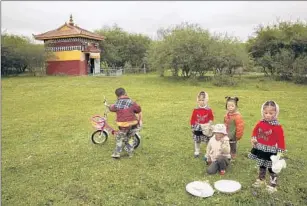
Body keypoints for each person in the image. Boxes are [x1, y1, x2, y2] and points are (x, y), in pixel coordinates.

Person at [248, 100, 285, 193]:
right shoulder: (260, 123)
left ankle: (273, 185)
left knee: (272, 168)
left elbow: (281, 139)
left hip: (271, 151)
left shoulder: (277, 127)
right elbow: (255, 131)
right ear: (262, 112)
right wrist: (253, 138)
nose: (268, 115)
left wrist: (280, 152)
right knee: (262, 165)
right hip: (261, 148)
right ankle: (261, 180)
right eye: (266, 113)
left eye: (271, 113)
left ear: (275, 113)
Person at [107, 88, 142, 158]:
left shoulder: (117, 104)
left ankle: (117, 154)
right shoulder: (132, 102)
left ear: (117, 96)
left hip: (123, 125)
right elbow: (138, 109)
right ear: (125, 93)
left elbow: (111, 108)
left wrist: (108, 106)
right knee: (130, 137)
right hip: (133, 124)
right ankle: (130, 153)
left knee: (119, 138)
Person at [190, 91, 214, 158]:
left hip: (206, 127)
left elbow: (211, 117)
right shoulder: (196, 109)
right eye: (199, 100)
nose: (201, 102)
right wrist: (192, 126)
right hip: (197, 127)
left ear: (206, 100)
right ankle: (197, 151)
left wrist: (210, 122)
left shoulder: (208, 109)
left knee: (207, 140)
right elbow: (193, 118)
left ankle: (208, 152)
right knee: (197, 140)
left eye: (203, 100)